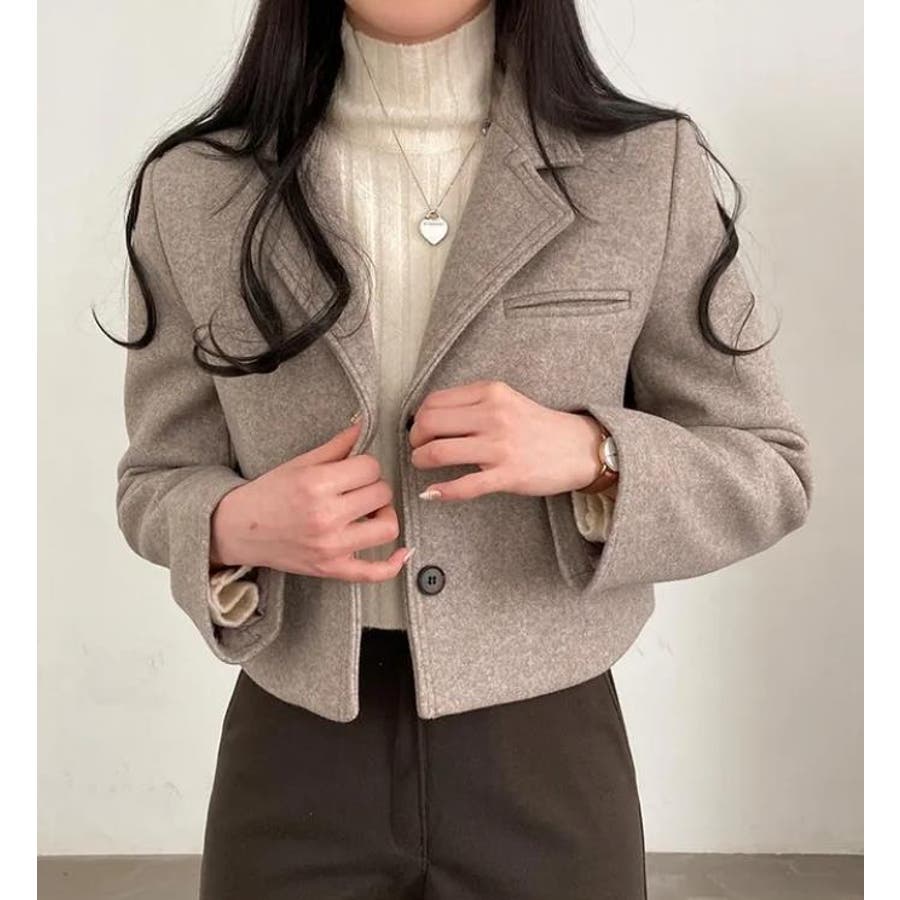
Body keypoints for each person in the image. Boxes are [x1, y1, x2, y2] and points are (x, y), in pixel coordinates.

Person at [104, 1, 814, 897]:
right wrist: (231, 524)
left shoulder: (643, 169)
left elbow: (767, 465)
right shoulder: (196, 189)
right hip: (294, 745)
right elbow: (154, 478)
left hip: (548, 750)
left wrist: (593, 454)